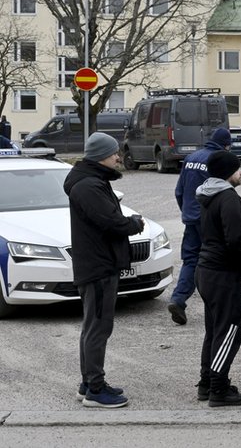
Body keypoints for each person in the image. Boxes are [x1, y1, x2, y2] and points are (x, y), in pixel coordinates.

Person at [63, 132, 145, 408]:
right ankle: (96, 390)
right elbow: (111, 222)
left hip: (96, 263)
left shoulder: (92, 181)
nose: (118, 157)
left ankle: (88, 383)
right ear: (101, 156)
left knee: (93, 326)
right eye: (113, 154)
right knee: (98, 328)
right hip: (98, 265)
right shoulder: (88, 185)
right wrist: (134, 223)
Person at [195, 150, 241, 407]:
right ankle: (219, 389)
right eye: (238, 168)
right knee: (230, 330)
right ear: (227, 172)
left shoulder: (207, 195)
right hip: (223, 273)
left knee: (214, 330)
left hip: (206, 270)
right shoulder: (228, 198)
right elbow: (236, 239)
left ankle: (207, 383)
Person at [168, 128, 232, 325]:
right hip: (210, 220)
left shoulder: (191, 158)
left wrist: (187, 212)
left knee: (191, 261)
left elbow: (179, 191)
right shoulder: (219, 160)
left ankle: (178, 298)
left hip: (191, 219)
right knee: (215, 261)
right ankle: (217, 304)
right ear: (227, 145)